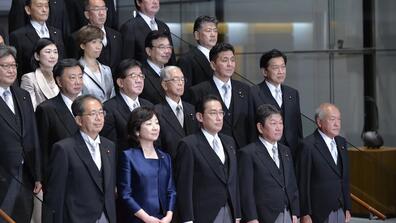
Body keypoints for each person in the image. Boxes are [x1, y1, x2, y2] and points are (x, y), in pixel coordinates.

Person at [43, 94, 116, 223]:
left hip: (106, 216)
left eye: (101, 112)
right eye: (93, 114)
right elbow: (55, 195)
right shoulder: (64, 149)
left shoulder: (109, 146)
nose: (99, 118)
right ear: (78, 120)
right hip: (76, 218)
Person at [175, 95, 241, 223]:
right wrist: (187, 219)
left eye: (221, 113)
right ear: (200, 117)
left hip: (230, 212)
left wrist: (237, 213)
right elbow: (184, 186)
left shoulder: (229, 141)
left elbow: (234, 179)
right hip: (203, 214)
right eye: (213, 113)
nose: (219, 118)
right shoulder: (189, 144)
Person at [0, 45, 41, 223]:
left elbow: (32, 136)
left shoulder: (22, 95)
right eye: (5, 66)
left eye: (14, 65)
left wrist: (38, 174)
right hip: (3, 175)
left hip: (26, 174)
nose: (11, 70)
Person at [238, 104, 299, 223]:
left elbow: (292, 184)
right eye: (273, 123)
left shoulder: (285, 150)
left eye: (280, 123)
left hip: (288, 214)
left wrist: (295, 212)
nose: (279, 127)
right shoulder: (248, 153)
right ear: (260, 127)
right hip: (264, 216)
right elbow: (246, 190)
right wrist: (251, 218)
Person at [118, 107, 176, 223]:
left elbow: (171, 191)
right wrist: (146, 218)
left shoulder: (165, 157)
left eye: (157, 123)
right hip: (138, 219)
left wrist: (169, 216)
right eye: (149, 124)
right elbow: (125, 194)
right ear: (137, 130)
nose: (155, 127)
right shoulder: (128, 156)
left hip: (163, 219)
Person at [190, 42, 253, 148]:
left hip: (242, 150)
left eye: (232, 60)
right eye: (225, 60)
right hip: (211, 149)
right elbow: (194, 126)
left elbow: (250, 123)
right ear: (213, 65)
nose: (230, 64)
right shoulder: (198, 91)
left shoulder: (245, 89)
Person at [297, 103, 351, 223]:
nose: (337, 124)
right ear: (319, 122)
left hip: (340, 208)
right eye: (332, 119)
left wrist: (347, 206)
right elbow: (303, 182)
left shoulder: (341, 142)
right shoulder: (308, 145)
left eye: (339, 119)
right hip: (318, 212)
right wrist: (305, 213)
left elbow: (344, 178)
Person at [35, 58, 84, 181]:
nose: (78, 82)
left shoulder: (90, 105)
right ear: (59, 81)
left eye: (80, 77)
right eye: (72, 78)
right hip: (61, 175)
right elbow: (42, 148)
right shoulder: (46, 109)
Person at [250, 49, 302, 158]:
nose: (281, 71)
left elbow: (297, 127)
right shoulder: (253, 93)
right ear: (264, 71)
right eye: (275, 68)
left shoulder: (292, 93)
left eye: (283, 67)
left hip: (291, 152)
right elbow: (249, 127)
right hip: (264, 153)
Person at [101, 59, 153, 155]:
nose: (139, 80)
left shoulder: (149, 106)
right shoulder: (109, 108)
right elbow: (110, 146)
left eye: (141, 76)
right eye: (133, 76)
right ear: (120, 82)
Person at [9, 0, 65, 81]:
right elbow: (18, 67)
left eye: (46, 6)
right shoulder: (18, 36)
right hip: (31, 84)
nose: (44, 10)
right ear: (28, 10)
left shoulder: (57, 33)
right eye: (39, 6)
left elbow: (62, 60)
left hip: (56, 83)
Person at [154, 66, 199, 159]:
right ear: (164, 85)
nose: (180, 83)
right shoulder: (156, 111)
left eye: (182, 79)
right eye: (175, 79)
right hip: (170, 163)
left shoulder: (191, 109)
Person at [67, 0, 122, 71]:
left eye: (103, 9)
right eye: (97, 9)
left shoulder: (116, 35)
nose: (101, 13)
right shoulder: (76, 37)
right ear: (87, 14)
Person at [120, 0, 176, 64]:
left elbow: (172, 60)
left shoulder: (164, 26)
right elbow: (127, 62)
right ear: (138, 2)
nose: (155, 2)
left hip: (165, 72)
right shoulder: (129, 27)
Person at [177, 16, 217, 92]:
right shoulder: (186, 60)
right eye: (208, 31)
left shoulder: (219, 58)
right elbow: (185, 93)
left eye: (215, 31)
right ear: (197, 35)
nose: (213, 35)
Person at [76, 24, 115, 102]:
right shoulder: (76, 69)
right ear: (83, 45)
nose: (98, 46)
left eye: (100, 42)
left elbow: (112, 96)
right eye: (94, 42)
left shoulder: (106, 69)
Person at [20, 38, 59, 110]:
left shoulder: (60, 76)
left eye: (55, 52)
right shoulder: (29, 78)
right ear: (37, 56)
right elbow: (30, 109)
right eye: (48, 52)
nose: (52, 56)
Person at [140, 30, 172, 104]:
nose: (167, 51)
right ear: (149, 51)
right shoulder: (141, 73)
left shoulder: (172, 71)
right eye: (162, 47)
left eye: (169, 47)